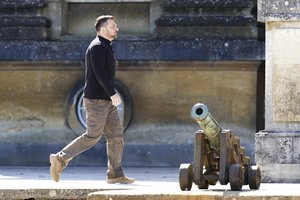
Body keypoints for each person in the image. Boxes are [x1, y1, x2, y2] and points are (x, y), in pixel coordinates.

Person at [49, 15, 135, 184]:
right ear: (103, 29)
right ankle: (60, 159)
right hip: (96, 100)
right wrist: (112, 93)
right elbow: (99, 73)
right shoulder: (96, 47)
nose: (116, 29)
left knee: (116, 135)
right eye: (112, 26)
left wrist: (110, 96)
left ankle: (115, 174)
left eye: (116, 26)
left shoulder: (106, 46)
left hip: (106, 101)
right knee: (93, 136)